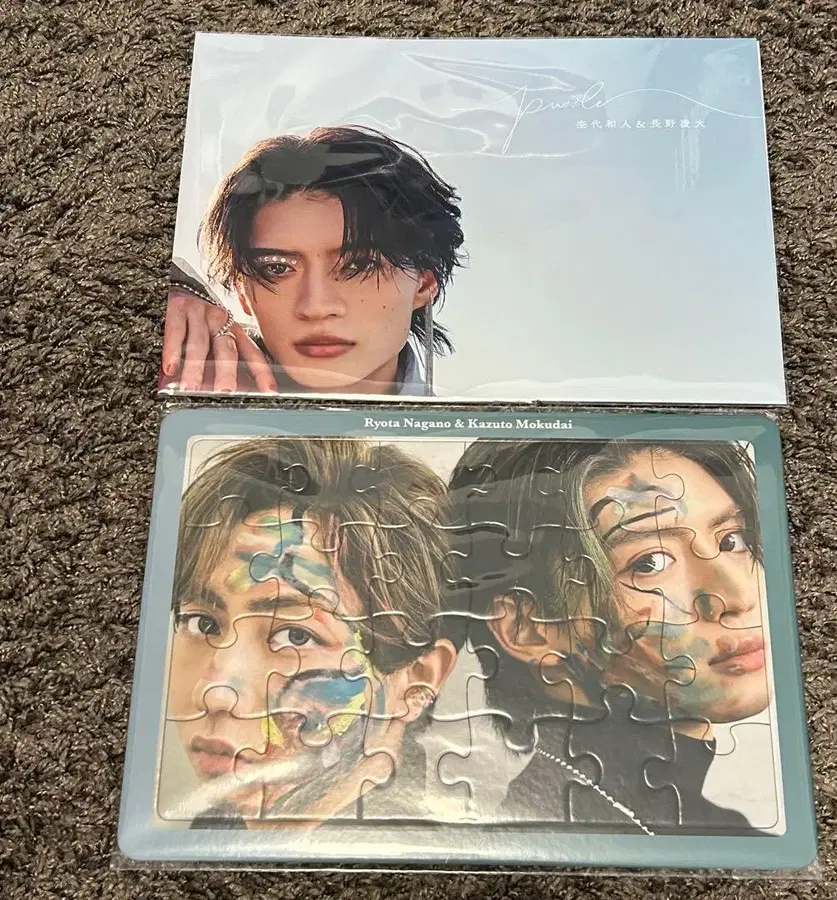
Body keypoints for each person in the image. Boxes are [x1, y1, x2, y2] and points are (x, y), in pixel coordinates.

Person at [442, 439, 770, 834]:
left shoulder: (718, 830)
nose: (739, 596)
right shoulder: (554, 837)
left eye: (732, 540)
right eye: (649, 563)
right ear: (526, 629)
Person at [165, 438, 459, 827]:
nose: (216, 693)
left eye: (296, 636)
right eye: (202, 623)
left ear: (417, 680)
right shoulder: (207, 830)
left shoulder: (437, 851)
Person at [159, 126, 465, 396]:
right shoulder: (193, 388)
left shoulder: (472, 435)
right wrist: (173, 294)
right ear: (242, 292)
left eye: (359, 265)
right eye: (277, 268)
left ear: (423, 284)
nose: (315, 307)